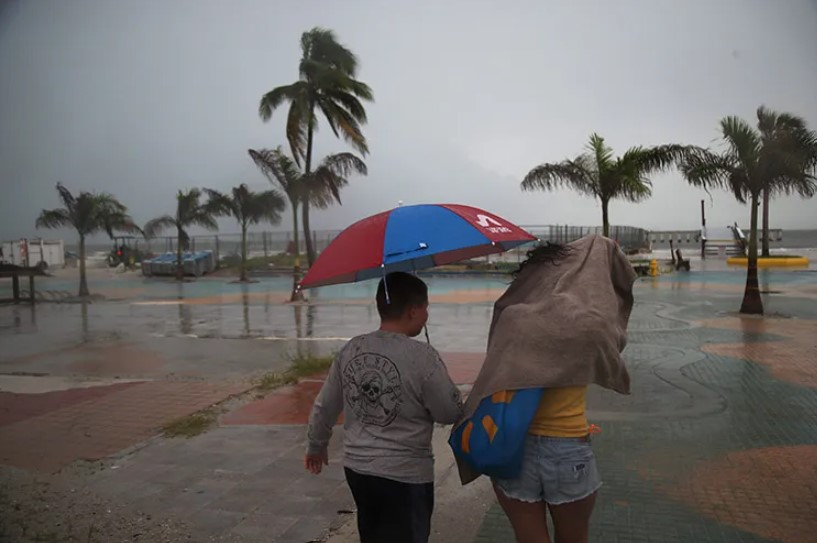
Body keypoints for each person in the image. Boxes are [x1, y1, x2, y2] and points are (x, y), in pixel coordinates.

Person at [452, 236, 636, 543]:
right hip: (568, 447)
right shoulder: (589, 322)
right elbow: (615, 335)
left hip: (513, 447)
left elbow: (495, 376)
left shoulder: (514, 317)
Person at [305, 271, 463, 543]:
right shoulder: (423, 357)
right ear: (413, 311)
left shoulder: (352, 349)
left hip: (358, 469)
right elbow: (448, 412)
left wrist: (316, 445)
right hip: (405, 474)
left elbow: (325, 405)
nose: (427, 315)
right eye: (426, 308)